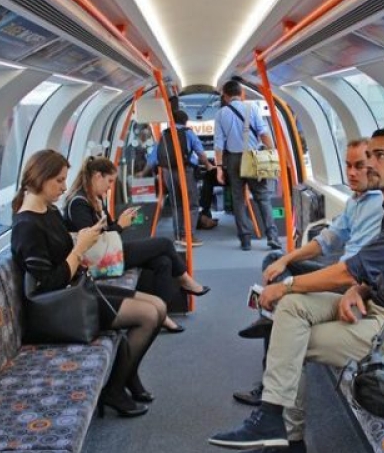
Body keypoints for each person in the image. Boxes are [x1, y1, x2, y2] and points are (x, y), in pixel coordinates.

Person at [209, 128, 384, 453]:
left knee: (291, 338)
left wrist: (289, 283)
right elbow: (379, 269)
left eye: (379, 156)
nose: (369, 165)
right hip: (376, 304)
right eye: (370, 156)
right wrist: (361, 288)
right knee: (291, 312)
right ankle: (272, 419)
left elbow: (351, 269)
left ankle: (287, 439)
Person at [10, 149, 163, 417]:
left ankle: (127, 376)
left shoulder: (49, 212)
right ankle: (115, 389)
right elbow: (48, 285)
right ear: (40, 179)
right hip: (58, 307)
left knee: (159, 305)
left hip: (76, 290)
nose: (64, 187)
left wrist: (83, 239)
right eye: (58, 180)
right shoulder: (26, 226)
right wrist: (79, 248)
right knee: (148, 315)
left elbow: (62, 251)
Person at [233, 138, 384, 407]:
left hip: (350, 282)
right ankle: (271, 315)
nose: (351, 173)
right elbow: (327, 240)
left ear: (374, 166)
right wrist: (286, 260)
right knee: (275, 259)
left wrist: (288, 284)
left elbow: (351, 272)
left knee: (286, 305)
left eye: (359, 166)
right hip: (338, 271)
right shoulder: (356, 201)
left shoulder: (382, 204)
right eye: (348, 165)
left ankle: (271, 328)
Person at [64, 156, 210, 333]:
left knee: (163, 261)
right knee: (163, 243)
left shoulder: (96, 199)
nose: (110, 186)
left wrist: (120, 222)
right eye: (109, 181)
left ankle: (161, 314)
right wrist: (120, 225)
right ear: (97, 176)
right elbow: (92, 239)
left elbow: (108, 230)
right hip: (97, 261)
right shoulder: (78, 203)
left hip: (108, 253)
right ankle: (185, 280)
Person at [214, 80, 281, 251]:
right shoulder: (253, 109)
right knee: (262, 197)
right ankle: (272, 236)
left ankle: (245, 239)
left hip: (233, 160)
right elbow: (264, 134)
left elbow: (219, 143)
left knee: (238, 199)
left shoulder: (221, 114)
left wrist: (219, 167)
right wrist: (273, 154)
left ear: (226, 96)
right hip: (253, 157)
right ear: (241, 93)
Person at [150, 107, 214, 247]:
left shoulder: (163, 134)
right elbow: (200, 153)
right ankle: (188, 236)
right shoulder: (188, 133)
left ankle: (178, 235)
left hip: (167, 172)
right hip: (185, 171)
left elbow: (153, 158)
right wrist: (209, 166)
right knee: (192, 204)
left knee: (176, 204)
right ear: (186, 122)